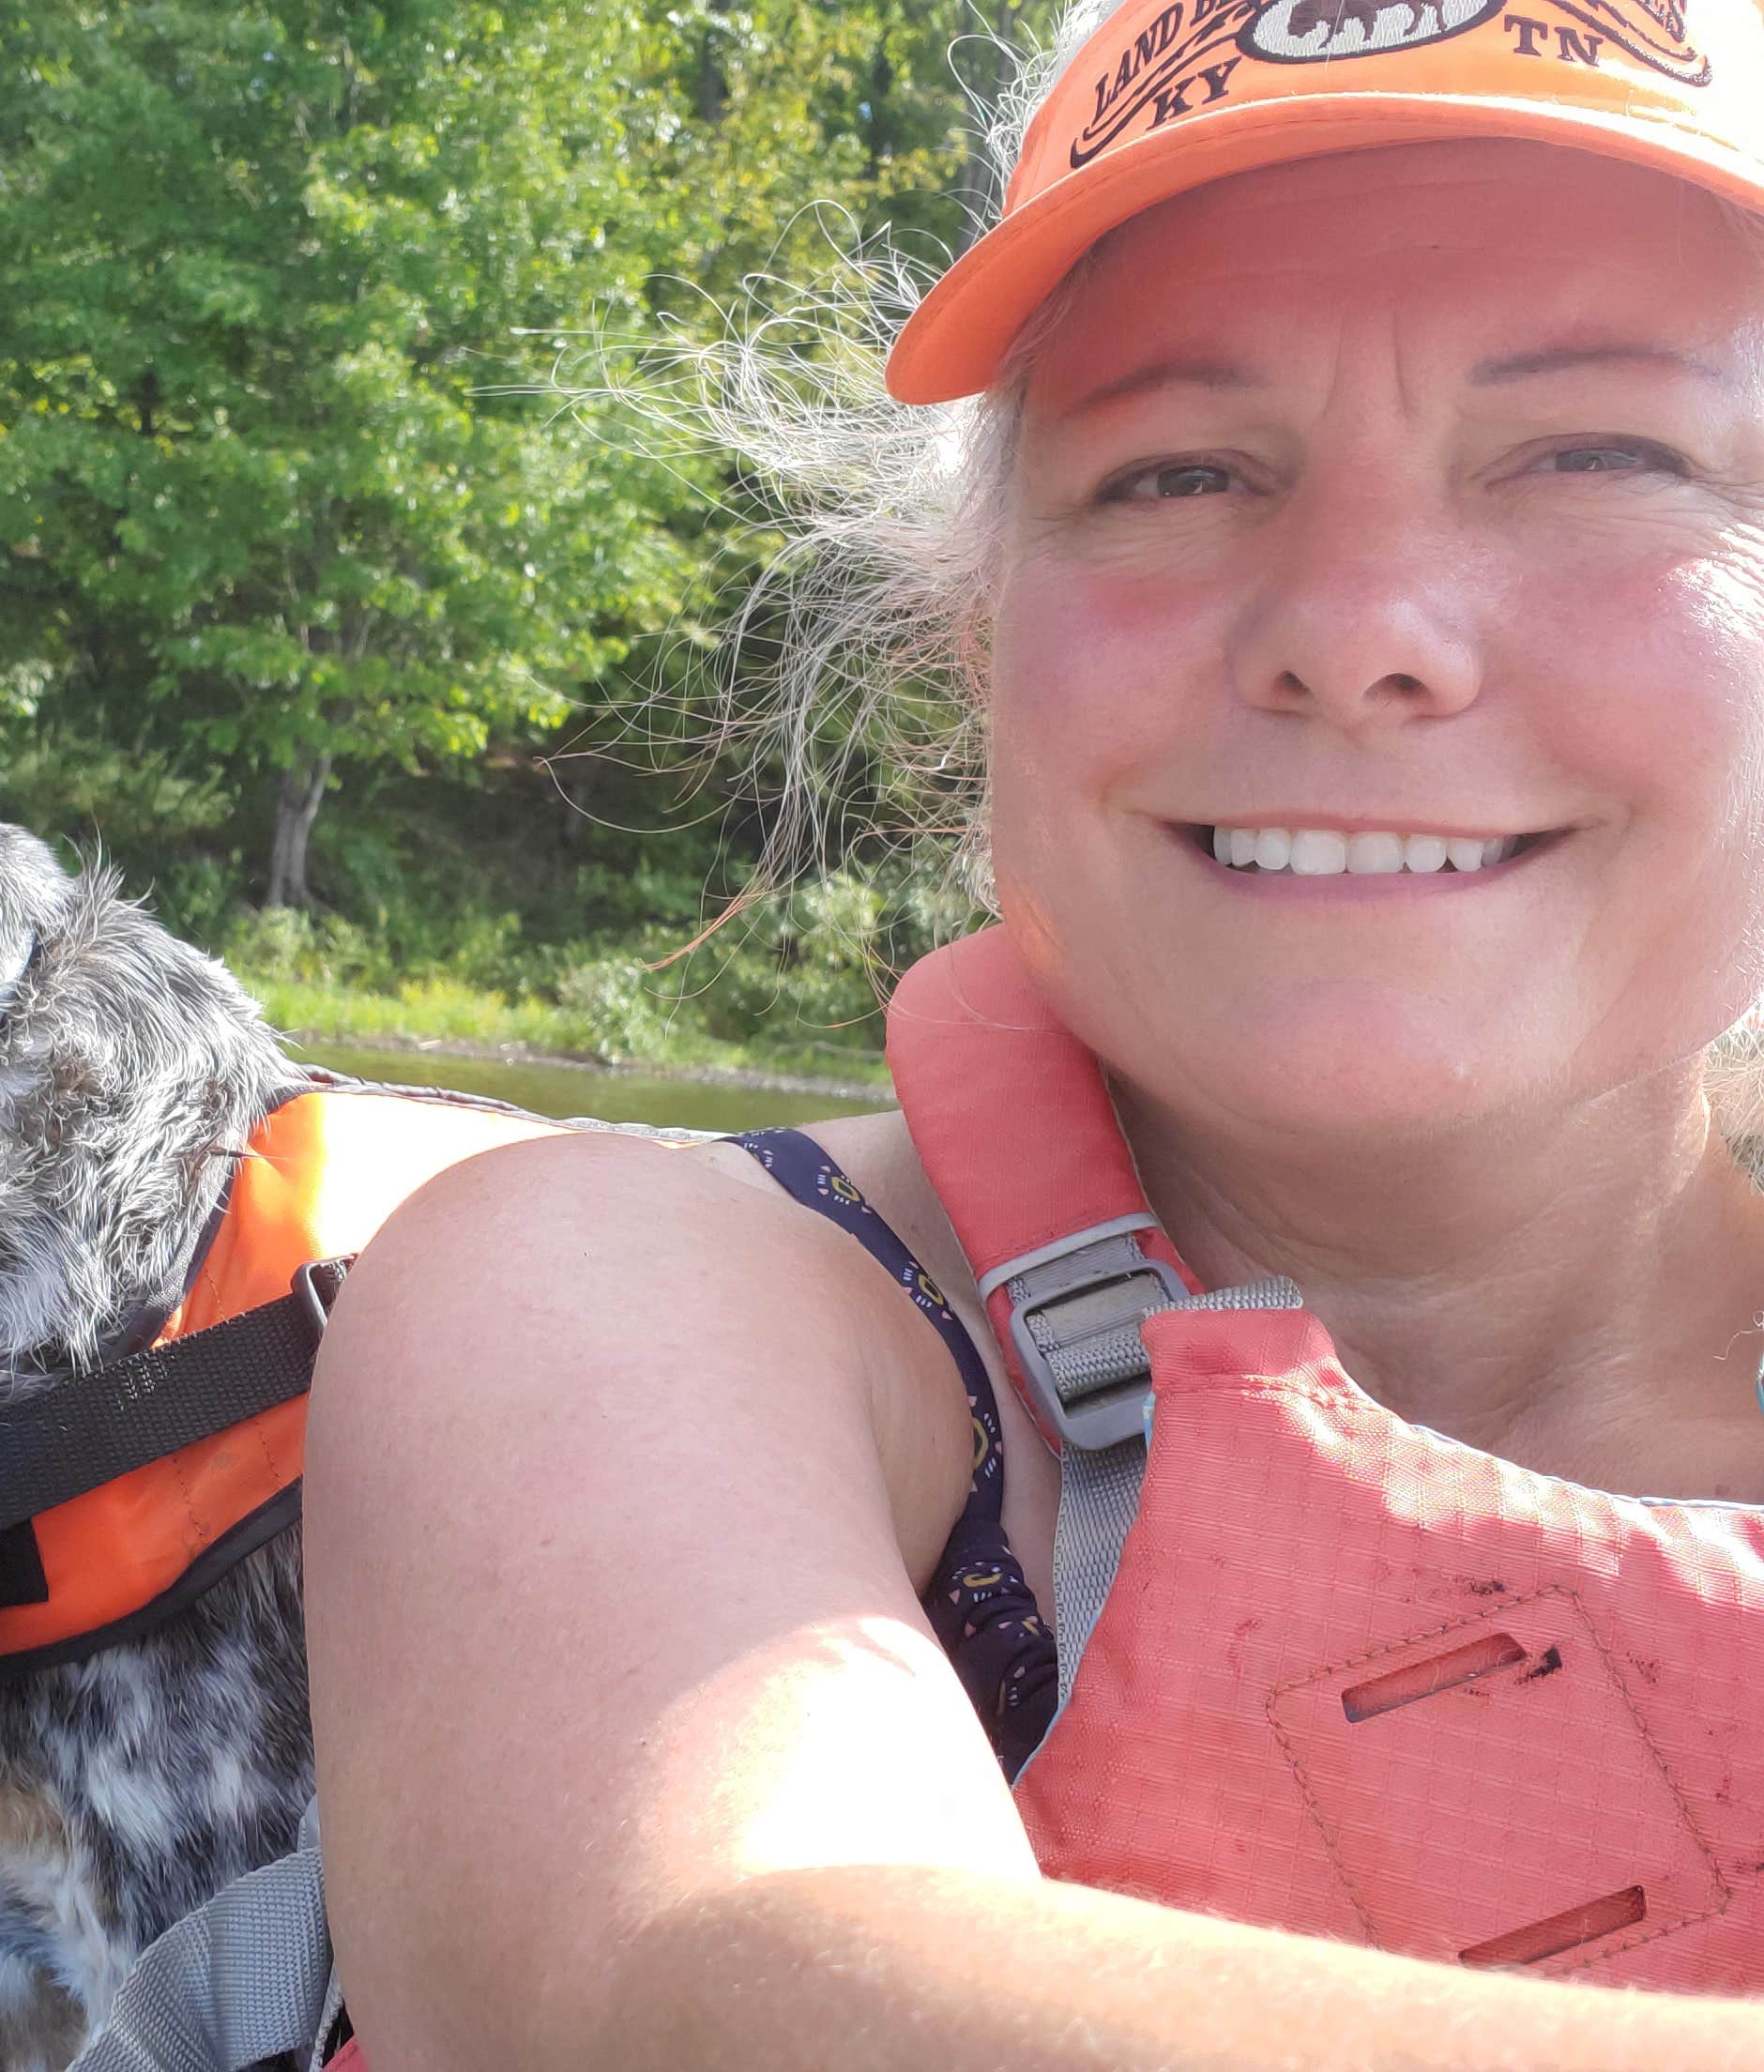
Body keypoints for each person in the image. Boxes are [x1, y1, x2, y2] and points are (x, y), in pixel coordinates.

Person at [299, 0, 1764, 2064]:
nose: (1352, 630)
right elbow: (686, 1976)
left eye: (1594, 454)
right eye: (1174, 470)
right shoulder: (618, 1297)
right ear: (983, 647)